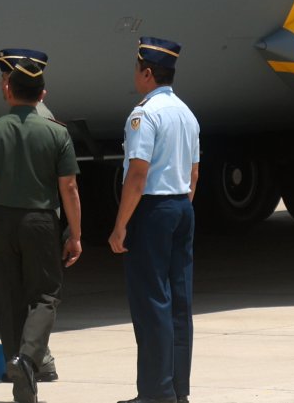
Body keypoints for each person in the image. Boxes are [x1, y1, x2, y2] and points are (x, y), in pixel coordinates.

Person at [0, 48, 83, 403]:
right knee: (45, 295)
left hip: (0, 220)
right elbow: (69, 188)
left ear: (7, 90)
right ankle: (28, 359)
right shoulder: (57, 133)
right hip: (41, 221)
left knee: (9, 296)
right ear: (42, 95)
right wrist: (74, 234)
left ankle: (18, 372)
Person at [109, 38, 200, 403]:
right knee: (179, 302)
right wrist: (180, 206)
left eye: (136, 69)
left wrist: (120, 226)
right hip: (182, 207)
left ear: (147, 73)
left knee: (151, 303)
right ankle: (178, 390)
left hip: (154, 210)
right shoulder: (186, 113)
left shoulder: (144, 115)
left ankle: (155, 392)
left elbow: (137, 175)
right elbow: (194, 175)